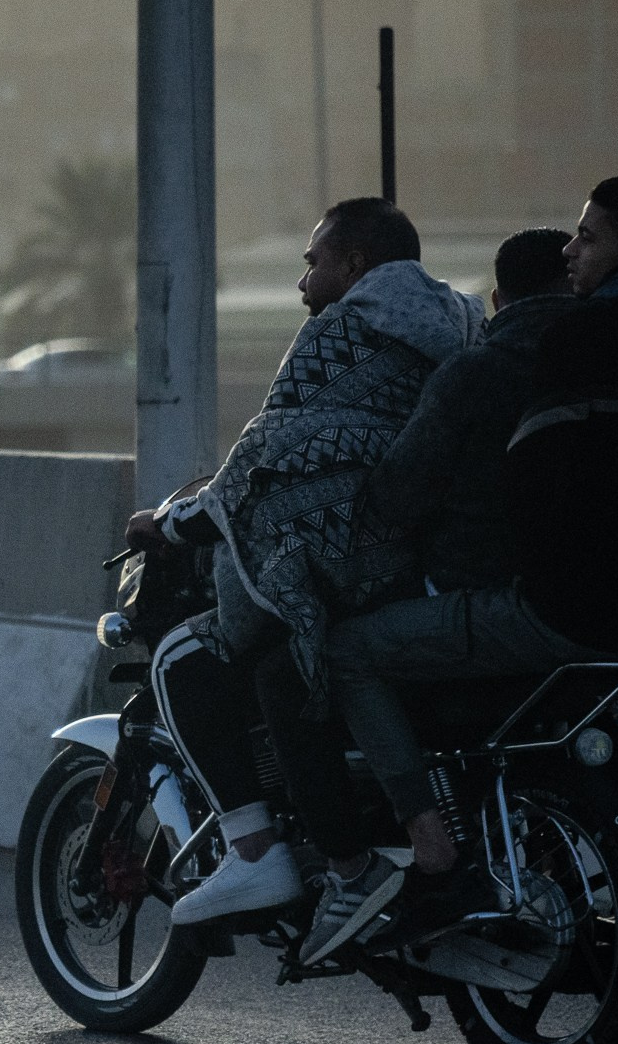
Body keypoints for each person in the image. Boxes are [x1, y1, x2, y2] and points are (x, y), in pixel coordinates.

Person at [311, 174, 618, 955]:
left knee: (350, 651)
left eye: (589, 236)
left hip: (562, 613)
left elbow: (532, 480)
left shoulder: (579, 341)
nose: (573, 251)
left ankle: (431, 851)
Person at [125, 198, 483, 927]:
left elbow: (272, 454)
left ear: (354, 265)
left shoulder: (340, 333)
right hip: (429, 563)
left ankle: (259, 852)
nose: (302, 283)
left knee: (187, 659)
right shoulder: (463, 327)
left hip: (351, 567)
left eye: (313, 262)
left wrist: (171, 522)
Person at [275, 227, 576, 961]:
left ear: (501, 297)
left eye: (314, 262)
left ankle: (426, 843)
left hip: (501, 597)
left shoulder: (478, 370)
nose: (305, 279)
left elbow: (397, 495)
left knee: (347, 653)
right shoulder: (607, 361)